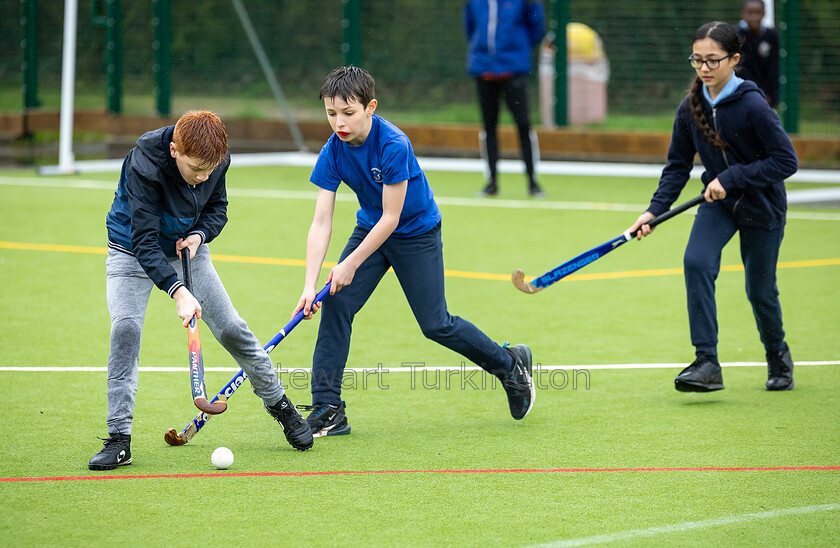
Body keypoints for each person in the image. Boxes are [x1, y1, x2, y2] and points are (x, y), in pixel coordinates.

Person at [293, 66, 535, 437]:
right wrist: (310, 285)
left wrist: (349, 264)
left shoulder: (393, 144)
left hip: (415, 232)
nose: (338, 122)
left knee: (435, 324)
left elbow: (392, 218)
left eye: (348, 113)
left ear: (370, 107)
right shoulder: (333, 150)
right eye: (331, 113)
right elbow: (321, 221)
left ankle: (509, 365)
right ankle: (328, 407)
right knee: (337, 303)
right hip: (369, 227)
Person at [90, 110, 313, 470]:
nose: (203, 177)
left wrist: (199, 235)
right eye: (196, 169)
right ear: (175, 150)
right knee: (125, 330)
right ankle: (119, 439)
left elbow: (217, 208)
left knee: (232, 329)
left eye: (210, 169)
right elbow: (144, 240)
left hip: (186, 249)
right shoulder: (143, 164)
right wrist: (178, 291)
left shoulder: (215, 161)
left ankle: (280, 406)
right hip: (130, 252)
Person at [627, 22, 798, 393]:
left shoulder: (753, 104)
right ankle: (707, 362)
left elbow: (786, 162)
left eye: (712, 61)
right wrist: (654, 211)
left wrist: (732, 178)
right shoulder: (690, 107)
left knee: (760, 290)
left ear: (734, 59)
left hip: (762, 205)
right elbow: (677, 166)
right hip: (718, 205)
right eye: (697, 61)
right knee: (696, 262)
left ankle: (777, 355)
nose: (704, 69)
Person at [464, 0, 546, 198]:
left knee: (524, 125)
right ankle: (491, 182)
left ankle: (533, 181)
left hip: (514, 69)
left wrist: (518, 49)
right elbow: (470, 27)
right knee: (489, 127)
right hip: (483, 69)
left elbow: (537, 28)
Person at [736, 0, 780, 108]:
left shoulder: (772, 35)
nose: (754, 17)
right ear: (742, 14)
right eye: (750, 13)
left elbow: (774, 66)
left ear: (764, 13)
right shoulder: (737, 35)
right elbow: (741, 69)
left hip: (767, 95)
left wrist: (772, 95)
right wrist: (759, 91)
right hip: (745, 92)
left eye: (758, 12)